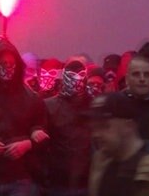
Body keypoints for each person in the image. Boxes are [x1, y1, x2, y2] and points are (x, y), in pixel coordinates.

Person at [0, 39, 49, 196]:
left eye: (10, 63)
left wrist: (27, 144)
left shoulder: (31, 98)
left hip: (20, 177)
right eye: (2, 63)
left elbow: (43, 130)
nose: (7, 67)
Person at [86, 92, 149, 196]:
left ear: (128, 126)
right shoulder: (101, 161)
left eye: (105, 126)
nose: (96, 134)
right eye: (94, 128)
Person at [44, 59, 93, 196]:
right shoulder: (50, 106)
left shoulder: (95, 105)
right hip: (59, 181)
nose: (77, 80)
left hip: (87, 180)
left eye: (81, 75)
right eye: (72, 76)